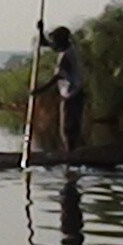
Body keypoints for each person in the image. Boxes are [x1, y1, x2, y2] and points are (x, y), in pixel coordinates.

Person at [31, 22, 87, 154]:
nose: (53, 44)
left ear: (60, 41)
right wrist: (41, 30)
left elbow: (57, 77)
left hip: (72, 94)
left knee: (67, 128)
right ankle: (72, 153)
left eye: (54, 41)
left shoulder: (65, 56)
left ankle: (70, 155)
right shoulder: (69, 47)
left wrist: (39, 91)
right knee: (71, 126)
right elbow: (45, 44)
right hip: (74, 93)